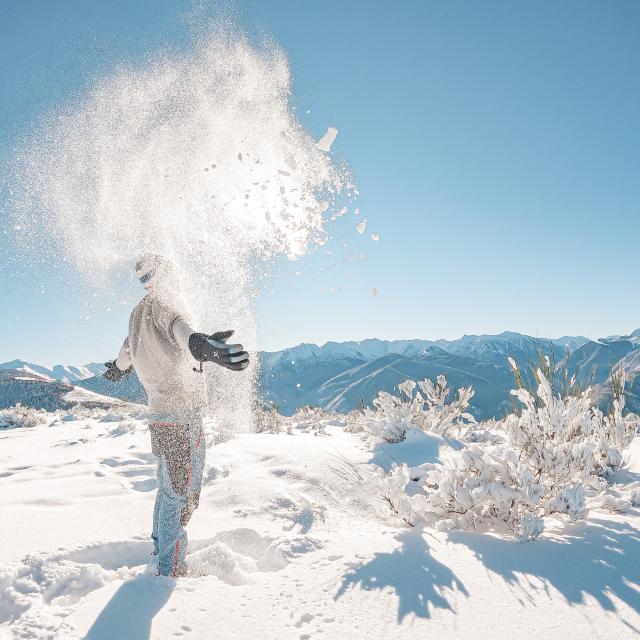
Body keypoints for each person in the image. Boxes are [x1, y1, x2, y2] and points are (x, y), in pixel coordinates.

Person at [103, 254, 249, 576]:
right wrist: (200, 344)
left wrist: (116, 369)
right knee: (182, 493)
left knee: (169, 488)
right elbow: (180, 328)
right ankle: (170, 569)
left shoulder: (137, 313)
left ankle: (161, 547)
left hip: (159, 417)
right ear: (164, 273)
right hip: (181, 416)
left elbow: (127, 351)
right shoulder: (167, 302)